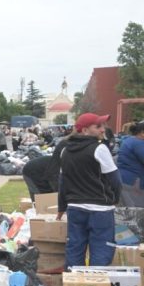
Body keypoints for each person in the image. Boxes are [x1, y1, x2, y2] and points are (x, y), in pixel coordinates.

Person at [57, 113, 121, 268]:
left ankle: (73, 280)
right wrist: (115, 199)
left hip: (75, 207)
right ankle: (96, 280)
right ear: (85, 130)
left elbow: (63, 182)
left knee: (75, 247)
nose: (103, 129)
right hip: (100, 209)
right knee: (101, 248)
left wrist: (61, 207)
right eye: (98, 126)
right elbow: (115, 180)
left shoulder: (65, 151)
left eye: (102, 126)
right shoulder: (100, 148)